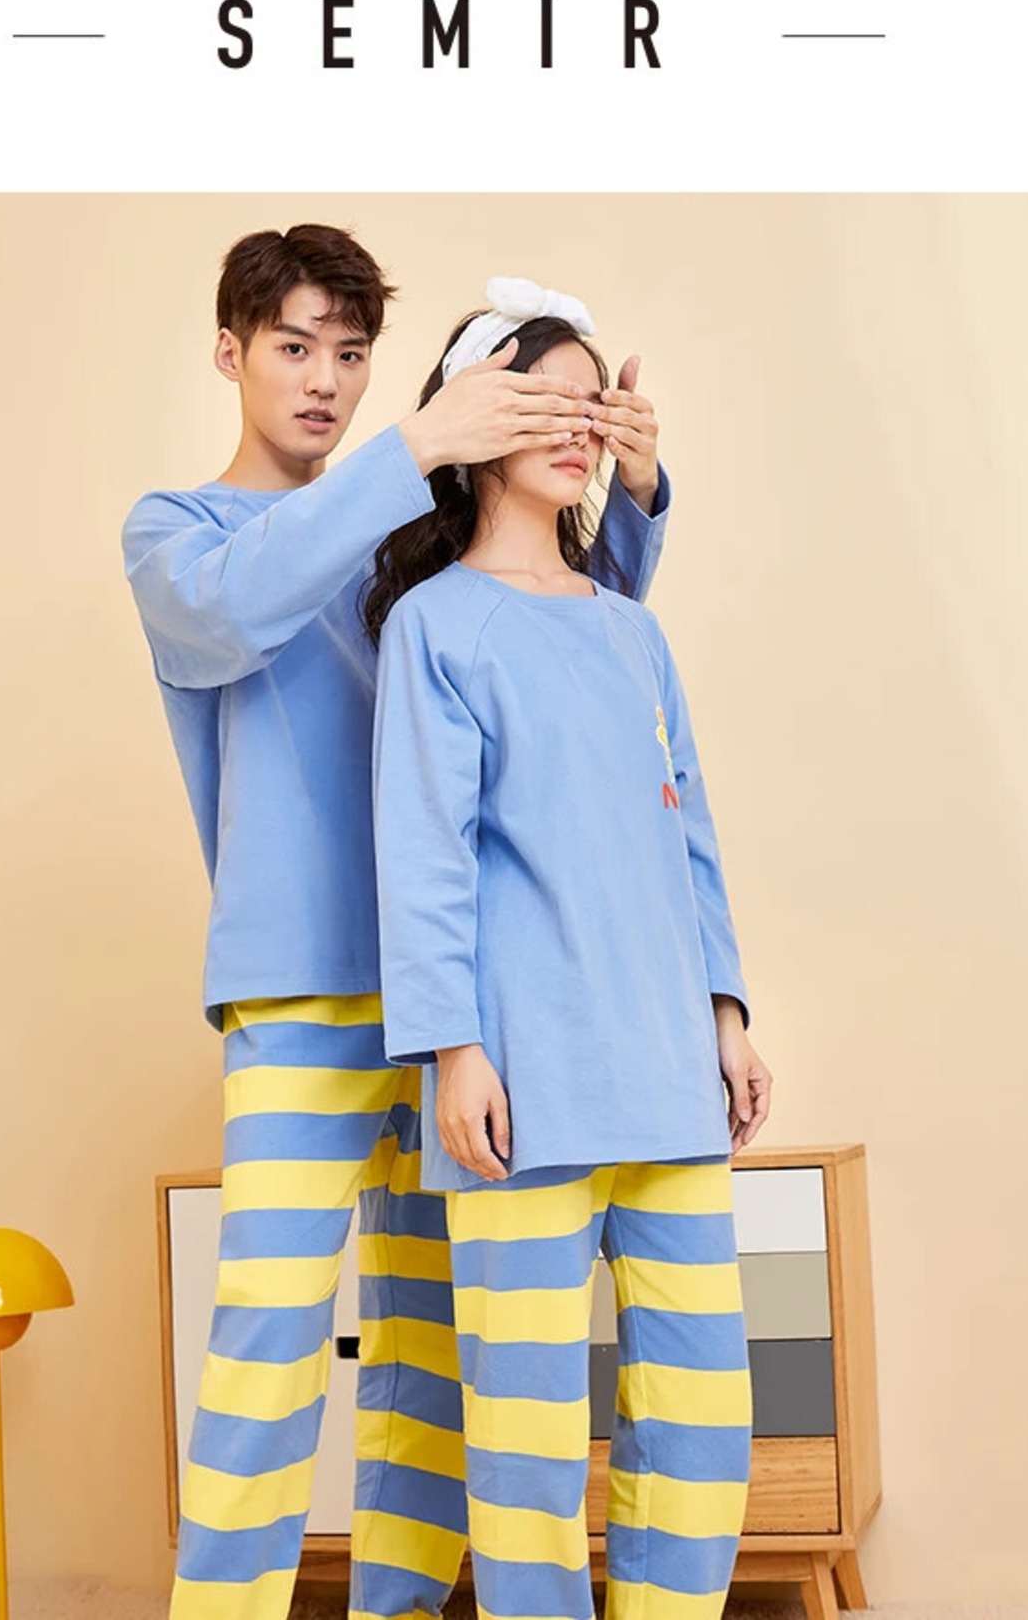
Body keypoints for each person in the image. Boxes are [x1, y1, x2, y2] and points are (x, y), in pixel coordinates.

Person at [122, 232, 671, 1620]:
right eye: (293, 346)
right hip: (299, 994)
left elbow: (566, 650)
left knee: (428, 1358)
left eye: (352, 353)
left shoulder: (414, 552)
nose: (324, 379)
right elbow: (229, 616)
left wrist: (634, 495)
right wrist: (419, 443)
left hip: (460, 1011)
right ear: (230, 351)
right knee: (268, 1351)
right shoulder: (179, 532)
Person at [368, 288, 774, 1620]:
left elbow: (687, 828)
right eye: (546, 395)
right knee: (528, 1450)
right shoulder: (436, 625)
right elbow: (425, 858)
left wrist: (726, 1015)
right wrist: (455, 1051)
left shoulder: (629, 628)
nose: (577, 423)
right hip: (524, 1091)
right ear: (480, 416)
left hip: (668, 1079)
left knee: (701, 1429)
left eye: (593, 400)